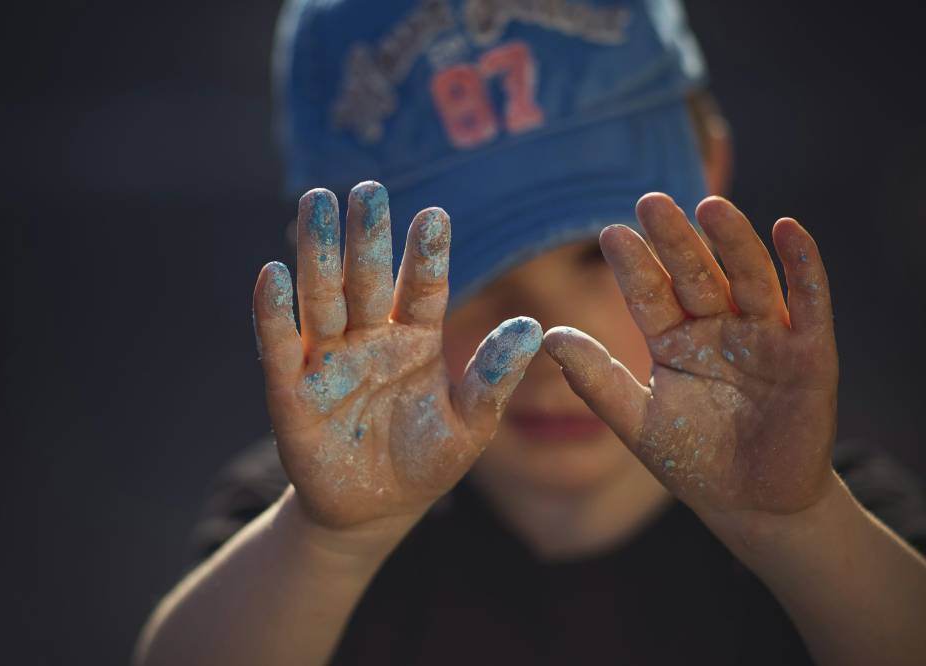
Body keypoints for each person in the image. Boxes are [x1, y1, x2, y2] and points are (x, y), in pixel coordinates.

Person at [135, 1, 926, 664]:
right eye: (464, 272)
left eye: (600, 255)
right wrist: (330, 544)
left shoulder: (830, 531)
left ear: (708, 172)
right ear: (343, 275)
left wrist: (798, 528)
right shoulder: (306, 530)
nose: (549, 340)